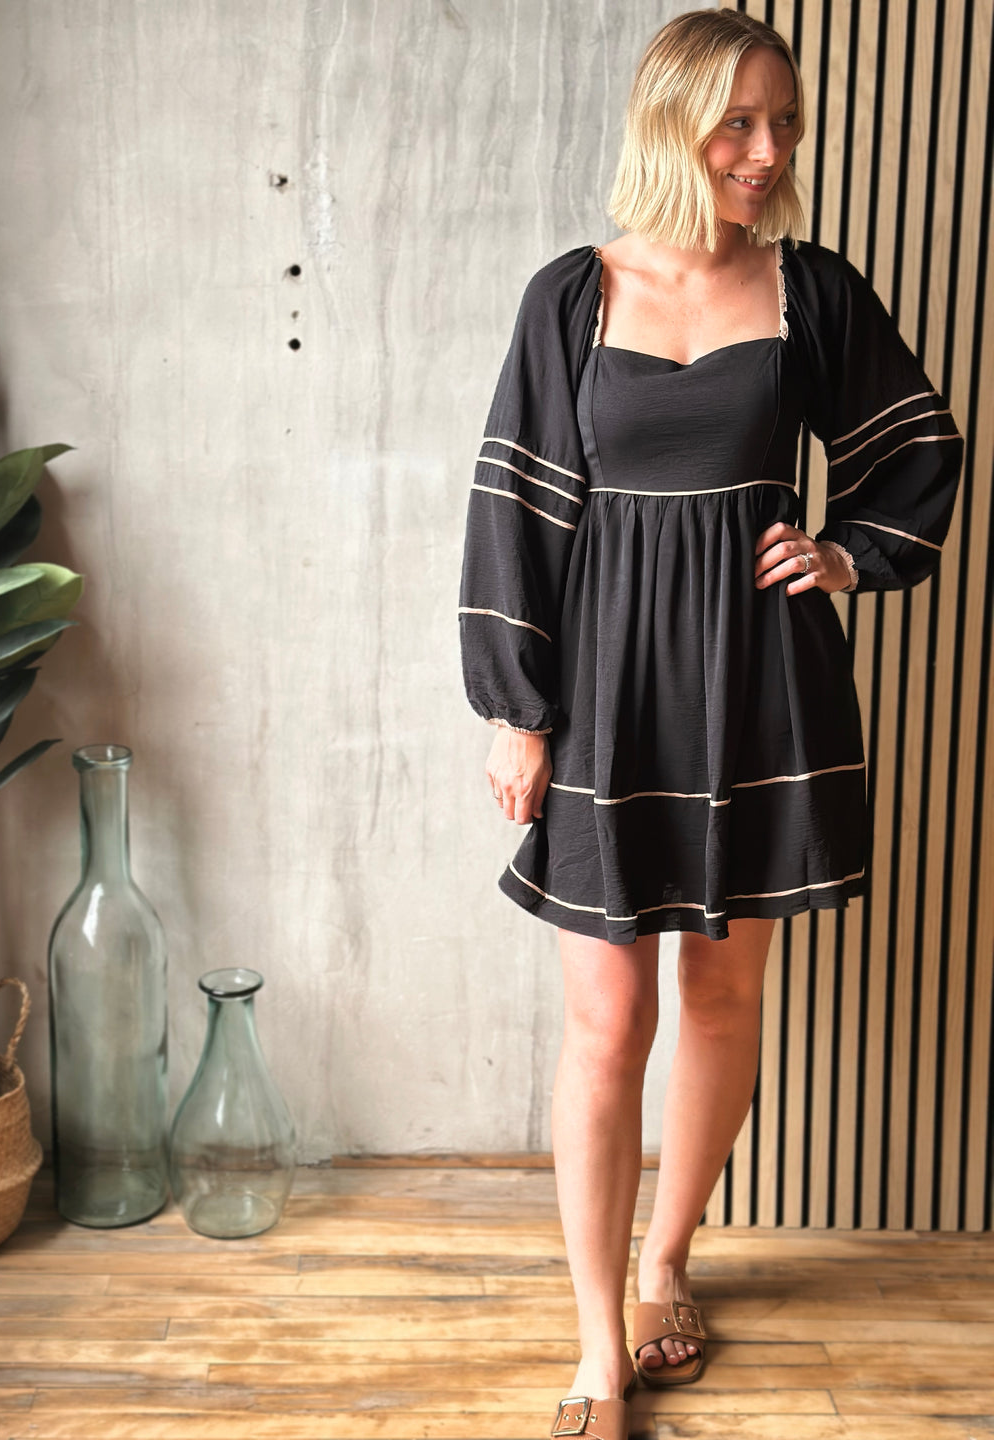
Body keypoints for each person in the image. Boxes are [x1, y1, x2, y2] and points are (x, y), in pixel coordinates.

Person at [458, 8, 962, 1438]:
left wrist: (851, 551)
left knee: (723, 997)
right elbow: (517, 506)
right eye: (739, 122)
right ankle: (596, 1344)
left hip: (757, 681)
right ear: (671, 121)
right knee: (604, 1014)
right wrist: (517, 710)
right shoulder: (574, 293)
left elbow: (919, 442)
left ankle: (671, 1263)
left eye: (785, 124)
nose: (768, 151)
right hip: (605, 693)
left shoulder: (813, 291)